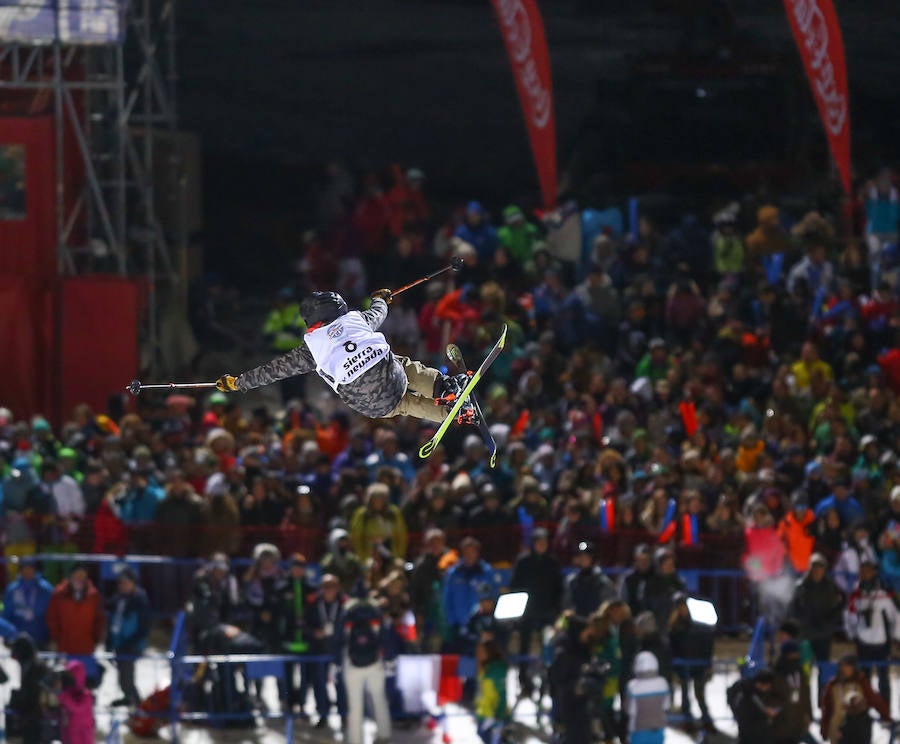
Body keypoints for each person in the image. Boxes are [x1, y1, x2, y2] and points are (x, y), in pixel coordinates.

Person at [217, 291, 476, 425]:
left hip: (368, 404)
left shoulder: (310, 349)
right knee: (404, 366)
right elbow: (377, 313)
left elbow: (273, 371)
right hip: (389, 375)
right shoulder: (355, 319)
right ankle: (445, 389)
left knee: (404, 404)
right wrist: (380, 299)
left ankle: (450, 413)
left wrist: (239, 383)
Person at [509, 526, 563, 689]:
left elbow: (558, 588)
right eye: (538, 542)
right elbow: (515, 586)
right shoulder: (523, 562)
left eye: (544, 542)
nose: (541, 545)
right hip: (527, 613)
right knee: (524, 646)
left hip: (547, 612)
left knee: (549, 645)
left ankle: (548, 679)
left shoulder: (552, 563)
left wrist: (556, 611)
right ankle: (523, 678)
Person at [844, 557, 899, 701]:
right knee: (864, 678)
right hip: (863, 643)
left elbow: (896, 615)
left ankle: (885, 708)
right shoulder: (855, 594)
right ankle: (864, 708)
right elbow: (849, 616)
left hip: (881, 643)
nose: (864, 574)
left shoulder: (884, 594)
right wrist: (852, 635)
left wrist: (896, 637)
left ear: (874, 572)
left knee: (883, 678)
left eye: (868, 570)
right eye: (862, 571)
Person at [342, 594, 391, 744]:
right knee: (379, 699)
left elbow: (340, 637)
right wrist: (388, 658)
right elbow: (385, 636)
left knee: (355, 705)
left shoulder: (347, 609)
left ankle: (355, 740)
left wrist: (337, 661)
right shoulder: (374, 609)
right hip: (375, 662)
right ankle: (384, 735)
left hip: (352, 663)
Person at [46, 564, 106, 687]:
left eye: (82, 576)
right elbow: (52, 618)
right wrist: (55, 638)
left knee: (87, 682)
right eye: (76, 575)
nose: (79, 578)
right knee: (66, 682)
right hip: (65, 646)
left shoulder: (93, 595)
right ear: (70, 577)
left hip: (86, 647)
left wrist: (97, 638)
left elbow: (99, 619)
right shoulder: (59, 594)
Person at [668, 593, 715, 733]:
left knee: (700, 694)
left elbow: (707, 643)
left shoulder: (699, 624)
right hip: (683, 665)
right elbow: (673, 647)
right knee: (685, 695)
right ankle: (688, 721)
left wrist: (708, 663)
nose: (682, 608)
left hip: (698, 665)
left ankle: (706, 721)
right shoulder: (675, 627)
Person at [305, 573, 347, 730]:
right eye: (325, 586)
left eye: (332, 586)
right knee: (319, 683)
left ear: (338, 588)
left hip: (338, 650)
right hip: (319, 650)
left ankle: (343, 715)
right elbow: (304, 625)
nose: (329, 590)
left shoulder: (345, 604)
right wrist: (314, 632)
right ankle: (322, 714)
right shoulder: (313, 603)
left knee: (341, 684)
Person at [820, 654, 891, 744]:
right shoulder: (833, 685)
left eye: (847, 667)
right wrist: (824, 729)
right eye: (843, 666)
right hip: (837, 729)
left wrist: (886, 716)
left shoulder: (861, 682)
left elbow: (874, 700)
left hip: (858, 728)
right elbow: (827, 709)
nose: (845, 669)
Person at [106, 568, 150, 707]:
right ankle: (129, 698)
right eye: (121, 583)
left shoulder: (139, 599)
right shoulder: (117, 599)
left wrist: (133, 642)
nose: (123, 586)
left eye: (126, 583)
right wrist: (109, 642)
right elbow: (112, 622)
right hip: (119, 643)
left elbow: (143, 626)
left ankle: (137, 705)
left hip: (132, 645)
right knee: (123, 676)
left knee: (127, 676)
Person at [788, 552, 844, 662]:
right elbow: (793, 607)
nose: (817, 570)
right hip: (806, 633)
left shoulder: (831, 587)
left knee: (823, 664)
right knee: (805, 665)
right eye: (814, 566)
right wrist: (803, 620)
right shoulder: (800, 587)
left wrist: (829, 621)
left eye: (820, 567)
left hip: (824, 634)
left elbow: (839, 606)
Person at [442, 537, 494, 651]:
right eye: (466, 552)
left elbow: (491, 597)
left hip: (480, 624)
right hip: (459, 623)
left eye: (472, 552)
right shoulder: (454, 573)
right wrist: (452, 621)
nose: (469, 555)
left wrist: (488, 622)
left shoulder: (486, 571)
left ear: (477, 553)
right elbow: (447, 599)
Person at [279, 554, 316, 713]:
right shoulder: (282, 588)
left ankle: (302, 704)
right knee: (287, 674)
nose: (298, 570)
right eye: (295, 567)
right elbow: (278, 614)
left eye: (301, 567)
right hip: (288, 639)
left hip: (306, 639)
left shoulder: (311, 589)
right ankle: (288, 703)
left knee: (306, 676)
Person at [3, 557, 53, 647]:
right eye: (24, 568)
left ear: (35, 570)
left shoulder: (45, 589)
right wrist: (7, 636)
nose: (27, 571)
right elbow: (6, 613)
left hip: (40, 638)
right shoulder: (12, 589)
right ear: (20, 570)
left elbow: (51, 614)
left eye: (30, 568)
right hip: (17, 639)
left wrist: (52, 637)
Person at [349, 482, 408, 559]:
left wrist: (398, 555)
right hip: (368, 556)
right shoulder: (362, 514)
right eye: (375, 499)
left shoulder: (394, 513)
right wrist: (362, 558)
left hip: (391, 554)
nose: (378, 502)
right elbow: (356, 537)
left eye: (381, 499)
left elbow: (401, 535)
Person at [771, 640, 813, 744]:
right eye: (794, 654)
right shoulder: (777, 673)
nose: (796, 656)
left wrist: (808, 715)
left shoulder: (801, 672)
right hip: (781, 722)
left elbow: (806, 695)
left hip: (797, 722)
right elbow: (772, 696)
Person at [562, 541, 617, 617]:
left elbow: (608, 605)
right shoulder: (571, 581)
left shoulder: (603, 582)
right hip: (575, 621)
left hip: (597, 622)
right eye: (580, 557)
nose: (582, 560)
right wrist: (569, 612)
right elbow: (566, 604)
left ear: (593, 559)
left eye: (586, 557)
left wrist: (599, 615)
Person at [625, 651, 669, 744]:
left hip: (638, 730)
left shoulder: (633, 686)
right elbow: (666, 706)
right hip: (659, 730)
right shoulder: (663, 683)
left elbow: (631, 711)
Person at [727, 669, 782, 744]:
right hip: (750, 731)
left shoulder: (751, 690)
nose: (768, 689)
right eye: (768, 686)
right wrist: (767, 712)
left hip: (750, 730)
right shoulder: (747, 694)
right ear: (761, 684)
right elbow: (746, 716)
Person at [474, 638, 509, 743]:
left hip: (494, 715)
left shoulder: (497, 670)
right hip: (484, 713)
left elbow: (501, 694)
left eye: (481, 651)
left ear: (488, 652)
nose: (478, 654)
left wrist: (497, 715)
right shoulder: (485, 668)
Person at [58, 659, 95, 744]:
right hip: (68, 730)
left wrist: (62, 696)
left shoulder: (86, 694)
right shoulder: (66, 692)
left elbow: (76, 708)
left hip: (82, 733)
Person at [320, 527, 364, 596]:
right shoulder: (328, 561)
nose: (343, 544)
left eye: (345, 541)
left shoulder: (352, 559)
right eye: (340, 541)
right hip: (334, 595)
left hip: (351, 593)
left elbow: (359, 575)